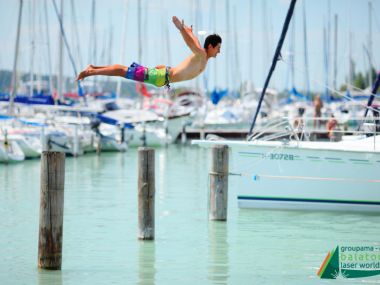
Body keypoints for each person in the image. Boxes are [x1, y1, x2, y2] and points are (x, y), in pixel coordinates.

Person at [76, 16, 222, 88]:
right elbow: (192, 44)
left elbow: (195, 43)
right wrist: (182, 30)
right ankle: (91, 72)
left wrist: (189, 31)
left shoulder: (202, 56)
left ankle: (94, 68)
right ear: (210, 46)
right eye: (218, 48)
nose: (219, 51)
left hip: (162, 75)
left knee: (124, 70)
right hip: (160, 76)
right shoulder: (202, 55)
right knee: (123, 71)